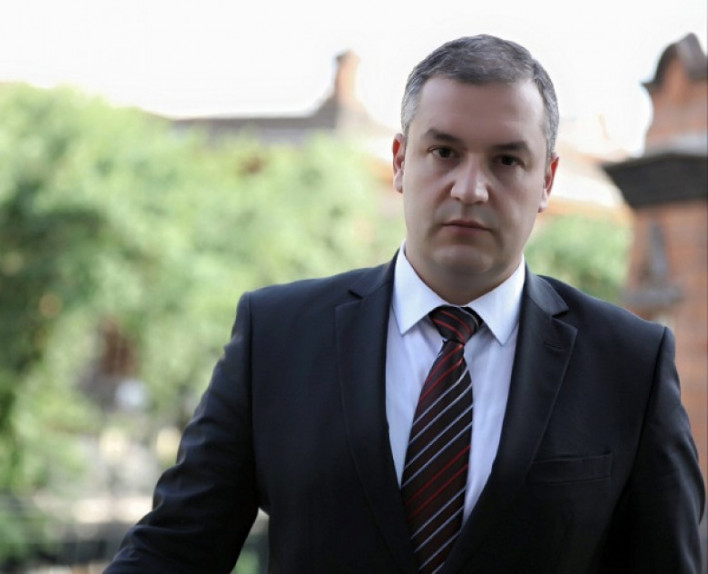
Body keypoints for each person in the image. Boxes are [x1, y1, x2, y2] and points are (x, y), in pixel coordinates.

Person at [105, 35, 705, 573]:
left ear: (546, 180)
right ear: (399, 161)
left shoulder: (629, 363)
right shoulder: (278, 337)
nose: (470, 188)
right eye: (444, 152)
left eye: (506, 160)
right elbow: (175, 550)